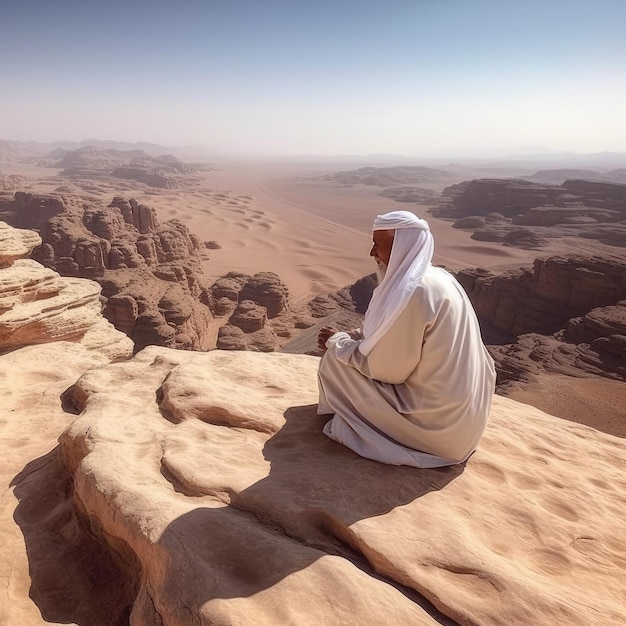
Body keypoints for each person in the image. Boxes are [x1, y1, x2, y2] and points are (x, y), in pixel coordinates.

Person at [317, 210, 496, 468]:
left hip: (436, 433)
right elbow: (389, 337)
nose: (372, 253)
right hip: (463, 426)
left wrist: (339, 343)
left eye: (378, 245)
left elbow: (387, 372)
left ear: (401, 246)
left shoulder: (414, 292)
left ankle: (360, 426)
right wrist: (351, 338)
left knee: (336, 361)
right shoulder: (440, 278)